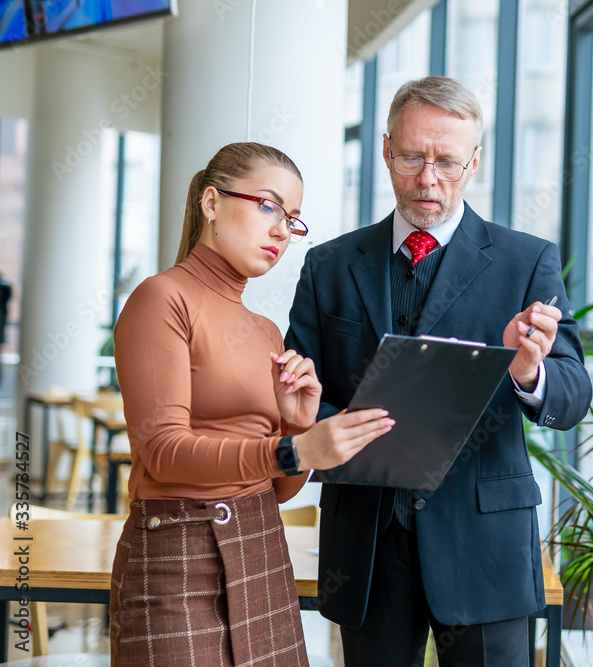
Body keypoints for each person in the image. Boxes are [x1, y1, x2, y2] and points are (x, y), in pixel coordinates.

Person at [285, 76, 593, 666]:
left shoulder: (527, 262)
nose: (429, 179)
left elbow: (573, 396)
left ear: (473, 162)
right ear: (385, 150)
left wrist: (530, 373)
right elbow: (298, 397)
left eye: (448, 162)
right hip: (369, 548)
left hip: (484, 548)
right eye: (412, 157)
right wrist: (326, 426)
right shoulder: (327, 265)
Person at [109, 142, 394, 666]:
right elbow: (162, 451)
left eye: (293, 218)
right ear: (211, 202)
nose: (283, 230)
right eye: (268, 206)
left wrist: (295, 425)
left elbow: (278, 489)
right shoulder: (161, 299)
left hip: (261, 544)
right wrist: (293, 451)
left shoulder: (265, 330)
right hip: (177, 553)